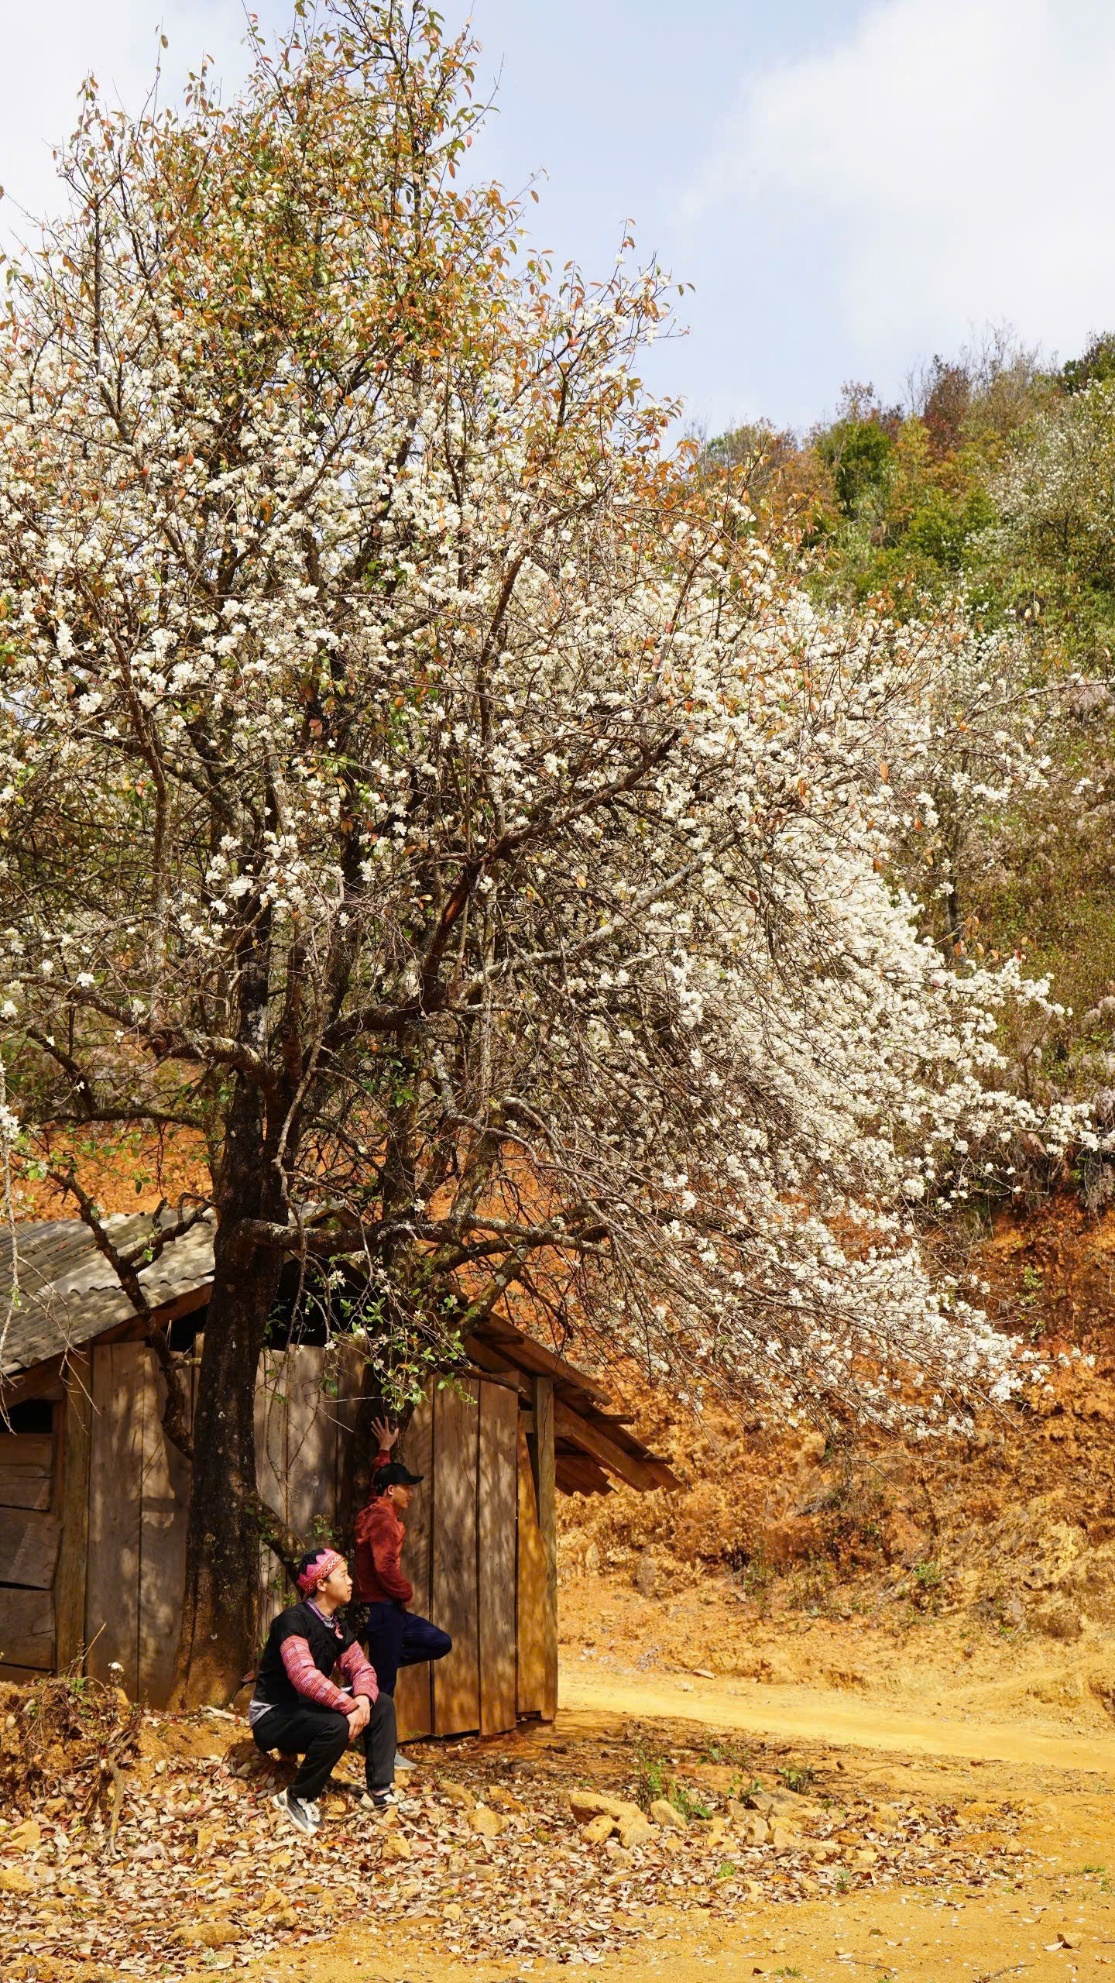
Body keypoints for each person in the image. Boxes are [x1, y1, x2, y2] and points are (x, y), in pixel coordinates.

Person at [248, 1546, 397, 1837]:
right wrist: (348, 1705)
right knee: (337, 1724)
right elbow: (303, 1675)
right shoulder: (292, 1622)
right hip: (273, 1716)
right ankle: (298, 1797)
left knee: (383, 1704)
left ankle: (380, 1790)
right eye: (343, 1574)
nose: (351, 1580)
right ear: (321, 1584)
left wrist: (363, 1699)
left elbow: (362, 1669)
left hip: (305, 1710)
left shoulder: (337, 1625)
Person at [354, 1418, 452, 1759]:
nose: (410, 1492)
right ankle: (381, 1750)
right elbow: (384, 1567)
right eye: (405, 1487)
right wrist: (405, 1591)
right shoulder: (383, 1520)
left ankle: (370, 1674)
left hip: (385, 1611)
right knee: (384, 1687)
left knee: (438, 1642)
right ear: (391, 1490)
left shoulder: (376, 1508)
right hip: (383, 1609)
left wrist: (384, 1451)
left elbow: (375, 1484)